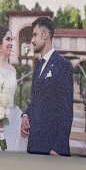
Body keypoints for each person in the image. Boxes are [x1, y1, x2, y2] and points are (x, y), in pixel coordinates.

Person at [21, 17, 73, 156]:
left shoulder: (64, 65)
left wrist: (58, 148)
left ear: (45, 35)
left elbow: (66, 110)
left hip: (52, 147)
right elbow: (35, 100)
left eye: (35, 35)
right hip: (34, 143)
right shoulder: (38, 65)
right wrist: (26, 116)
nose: (32, 40)